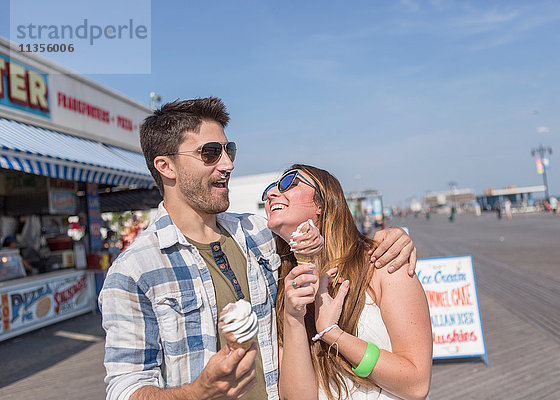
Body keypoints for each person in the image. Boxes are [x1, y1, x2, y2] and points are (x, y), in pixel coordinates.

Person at [99, 97, 417, 400]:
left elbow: (330, 236)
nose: (227, 164)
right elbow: (125, 388)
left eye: (229, 150)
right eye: (210, 153)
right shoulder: (133, 271)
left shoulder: (258, 234)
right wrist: (197, 393)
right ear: (166, 166)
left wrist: (391, 236)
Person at [267, 165, 432, 400]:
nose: (273, 193)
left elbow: (415, 385)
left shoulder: (383, 263)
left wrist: (333, 334)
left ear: (322, 203)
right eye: (270, 190)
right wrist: (293, 319)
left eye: (288, 183)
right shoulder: (282, 286)